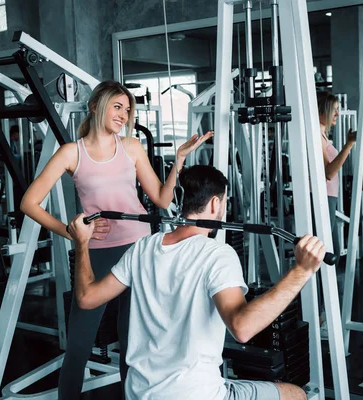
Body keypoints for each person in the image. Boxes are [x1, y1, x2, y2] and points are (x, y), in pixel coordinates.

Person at [19, 80, 212, 399]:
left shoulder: (132, 147)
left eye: (127, 109)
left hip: (139, 250)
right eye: (117, 106)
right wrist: (70, 231)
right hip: (97, 255)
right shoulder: (72, 152)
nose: (124, 114)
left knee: (132, 344)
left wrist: (177, 161)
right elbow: (29, 202)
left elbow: (162, 201)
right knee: (79, 346)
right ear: (95, 106)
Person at [67, 164, 324, 400]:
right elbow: (242, 328)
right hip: (197, 395)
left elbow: (86, 298)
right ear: (215, 203)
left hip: (140, 394)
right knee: (295, 394)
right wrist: (300, 271)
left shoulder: (143, 247)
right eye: (224, 202)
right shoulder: (216, 254)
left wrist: (81, 242)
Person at [317, 91, 356, 256]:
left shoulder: (323, 136)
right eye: (334, 110)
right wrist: (348, 145)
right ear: (322, 110)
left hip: (329, 197)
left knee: (333, 250)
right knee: (329, 251)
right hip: (323, 197)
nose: (338, 114)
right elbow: (328, 173)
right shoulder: (316, 135)